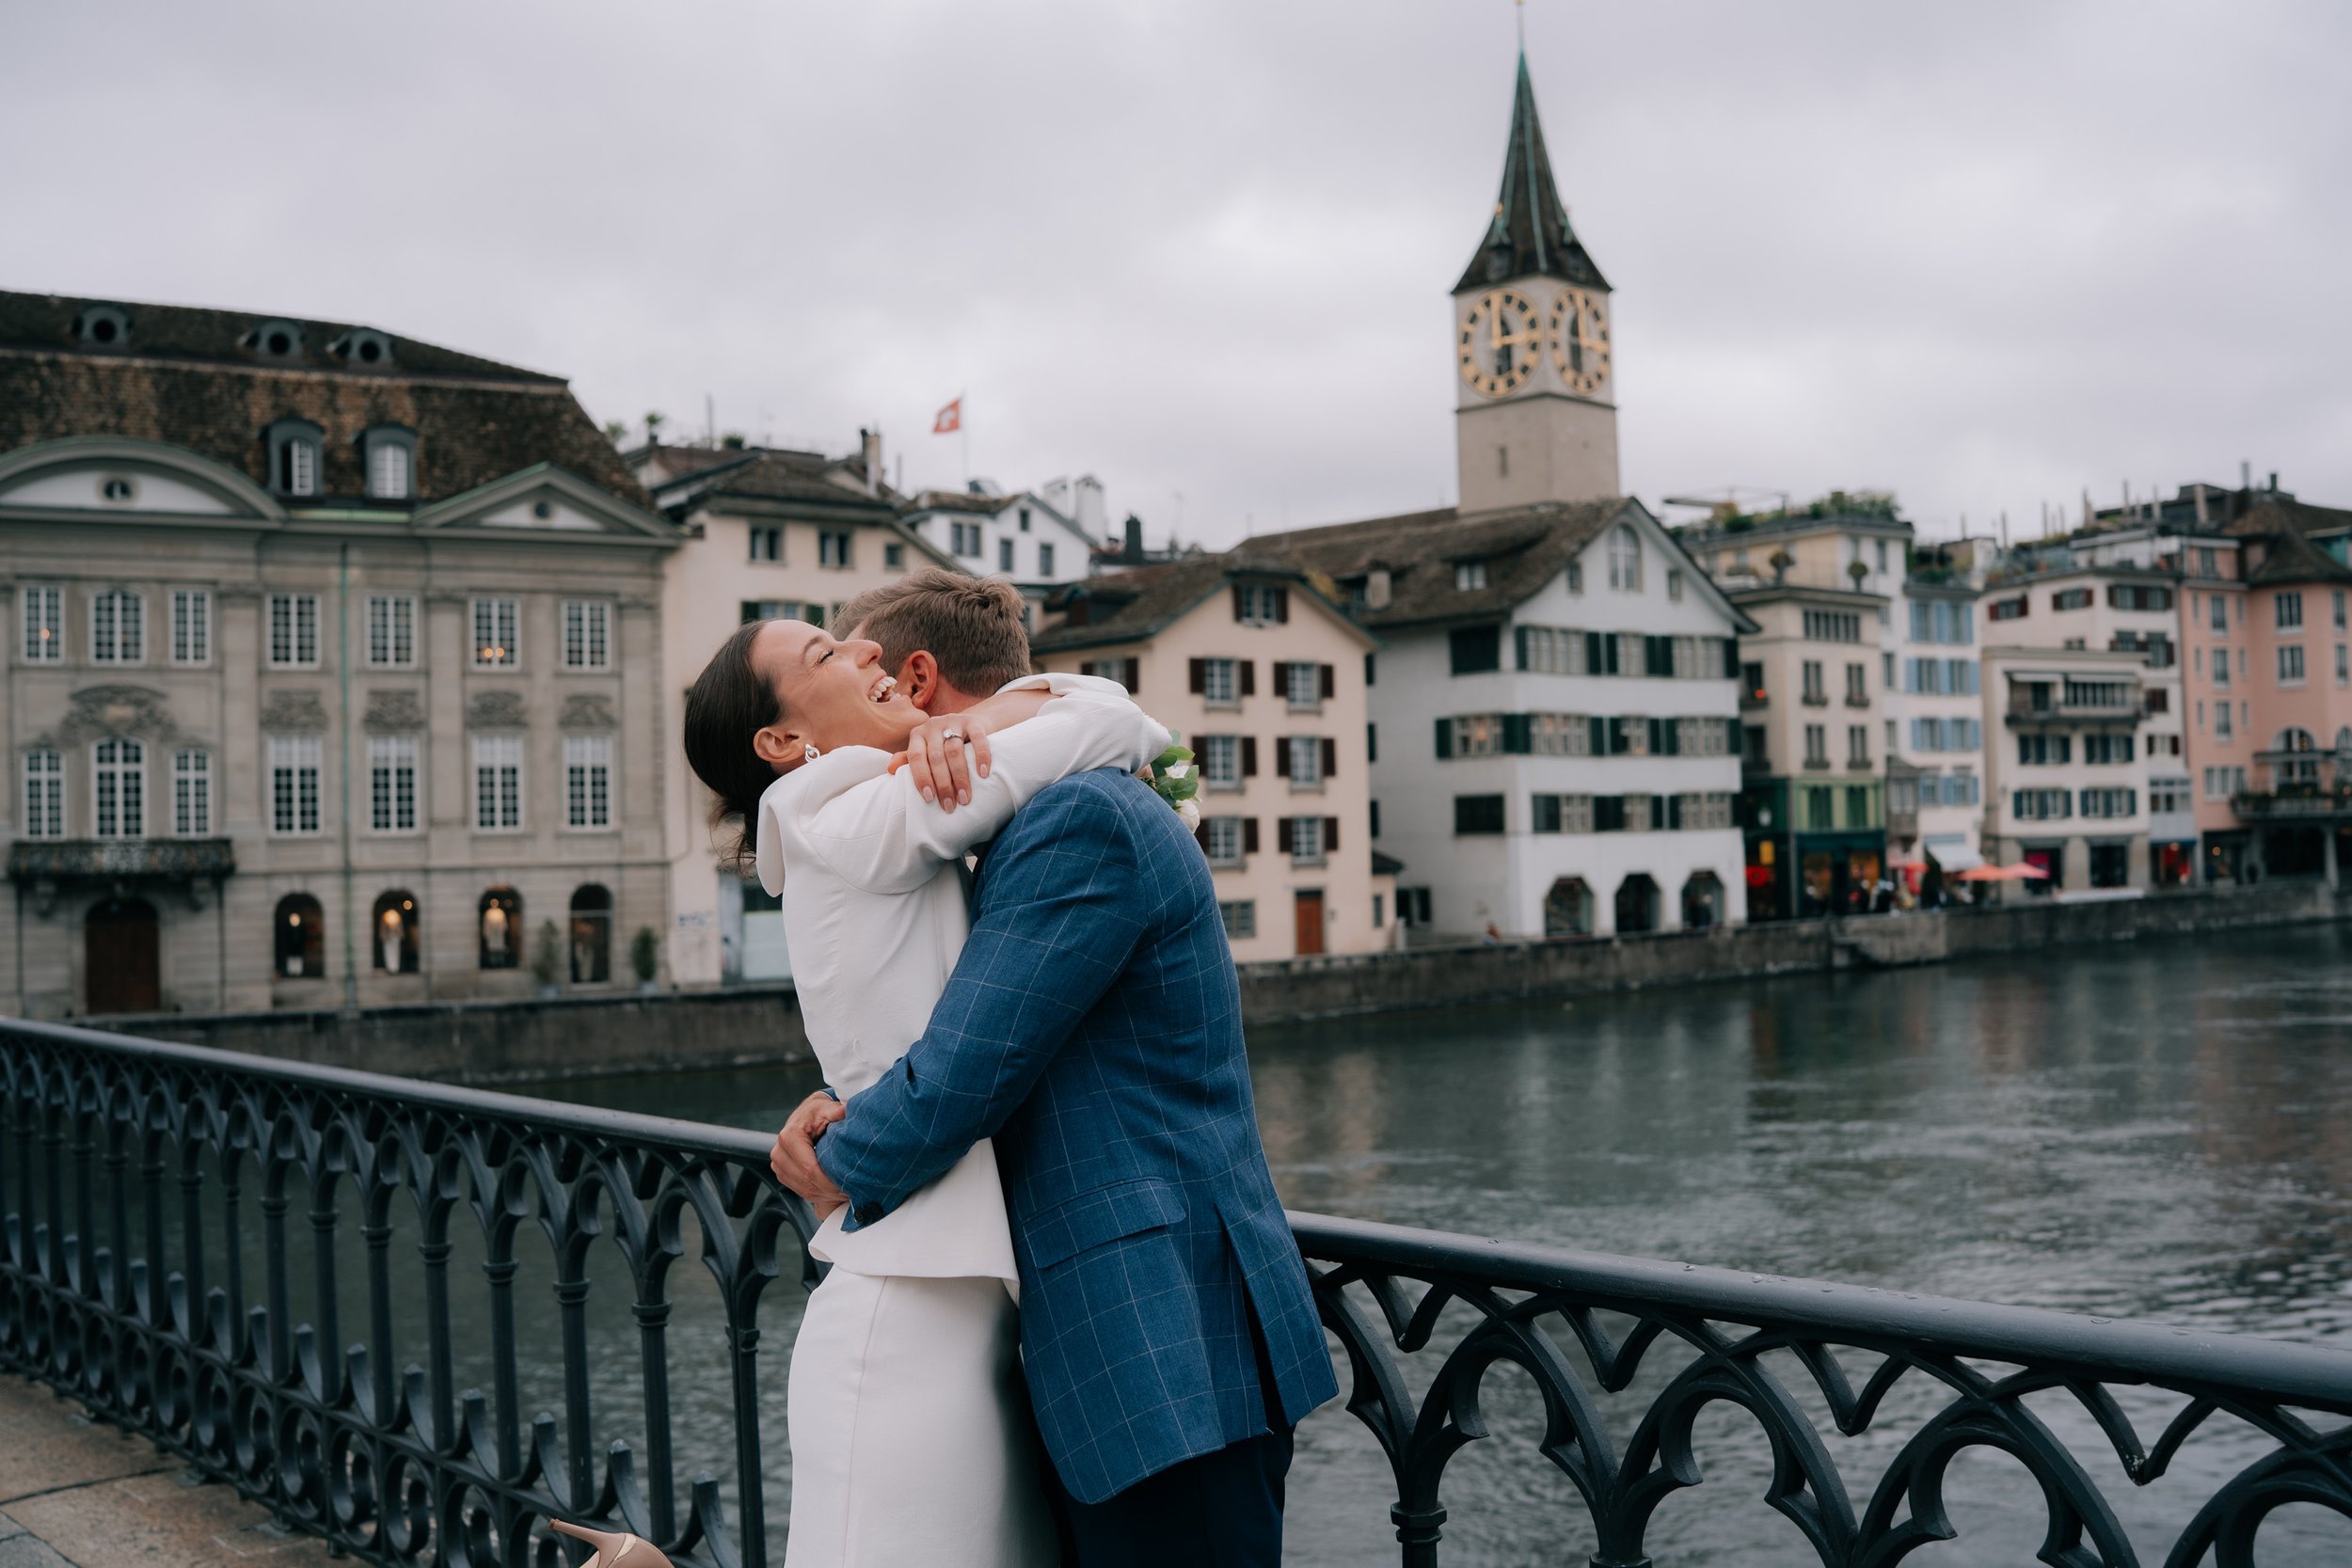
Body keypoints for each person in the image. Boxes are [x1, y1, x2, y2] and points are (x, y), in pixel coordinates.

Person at [766, 595, 1337, 1567]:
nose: (854, 659)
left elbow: (960, 1075)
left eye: (863, 652)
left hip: (1162, 1346)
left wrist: (831, 1157)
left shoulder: (1078, 817)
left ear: (916, 683)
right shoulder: (1052, 808)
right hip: (1138, 1343)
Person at [681, 572, 1171, 1568]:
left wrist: (946, 732)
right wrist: (974, 723)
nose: (863, 652)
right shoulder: (840, 813)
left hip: (951, 1284)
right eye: (826, 655)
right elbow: (1117, 720)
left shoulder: (864, 811)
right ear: (781, 745)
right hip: (904, 1311)